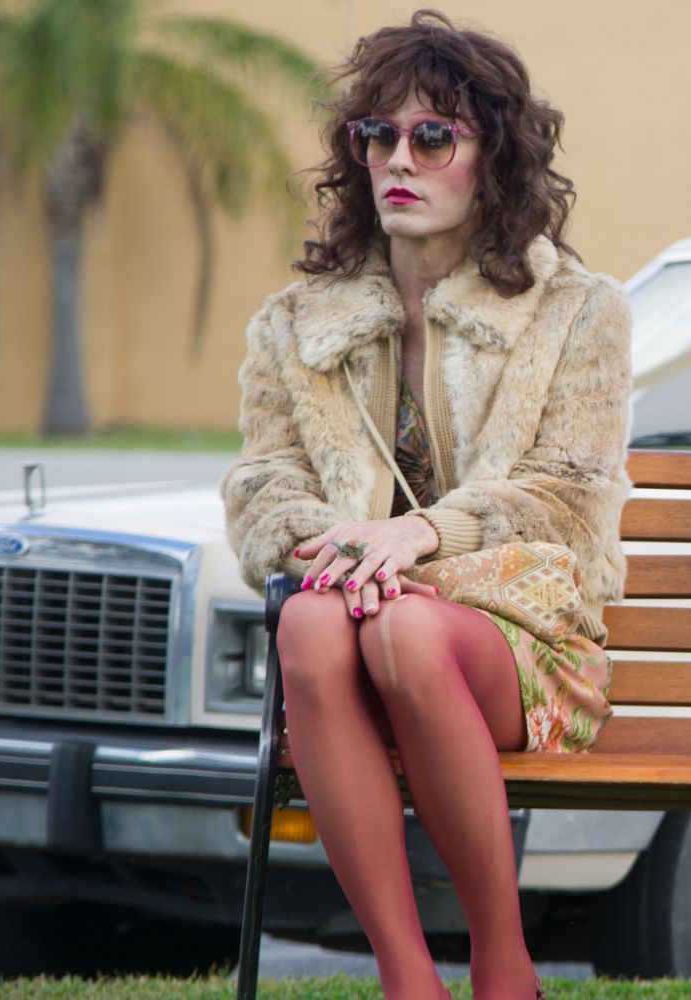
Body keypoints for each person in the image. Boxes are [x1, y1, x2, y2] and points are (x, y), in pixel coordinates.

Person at [219, 11, 631, 999]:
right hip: (354, 625)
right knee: (315, 624)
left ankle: (502, 962)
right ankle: (408, 977)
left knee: (401, 631)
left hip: (522, 635)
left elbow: (567, 497)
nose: (398, 159)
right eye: (377, 137)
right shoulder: (294, 325)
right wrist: (338, 545)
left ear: (492, 158)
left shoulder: (574, 311)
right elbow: (263, 484)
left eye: (432, 136)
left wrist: (416, 534)